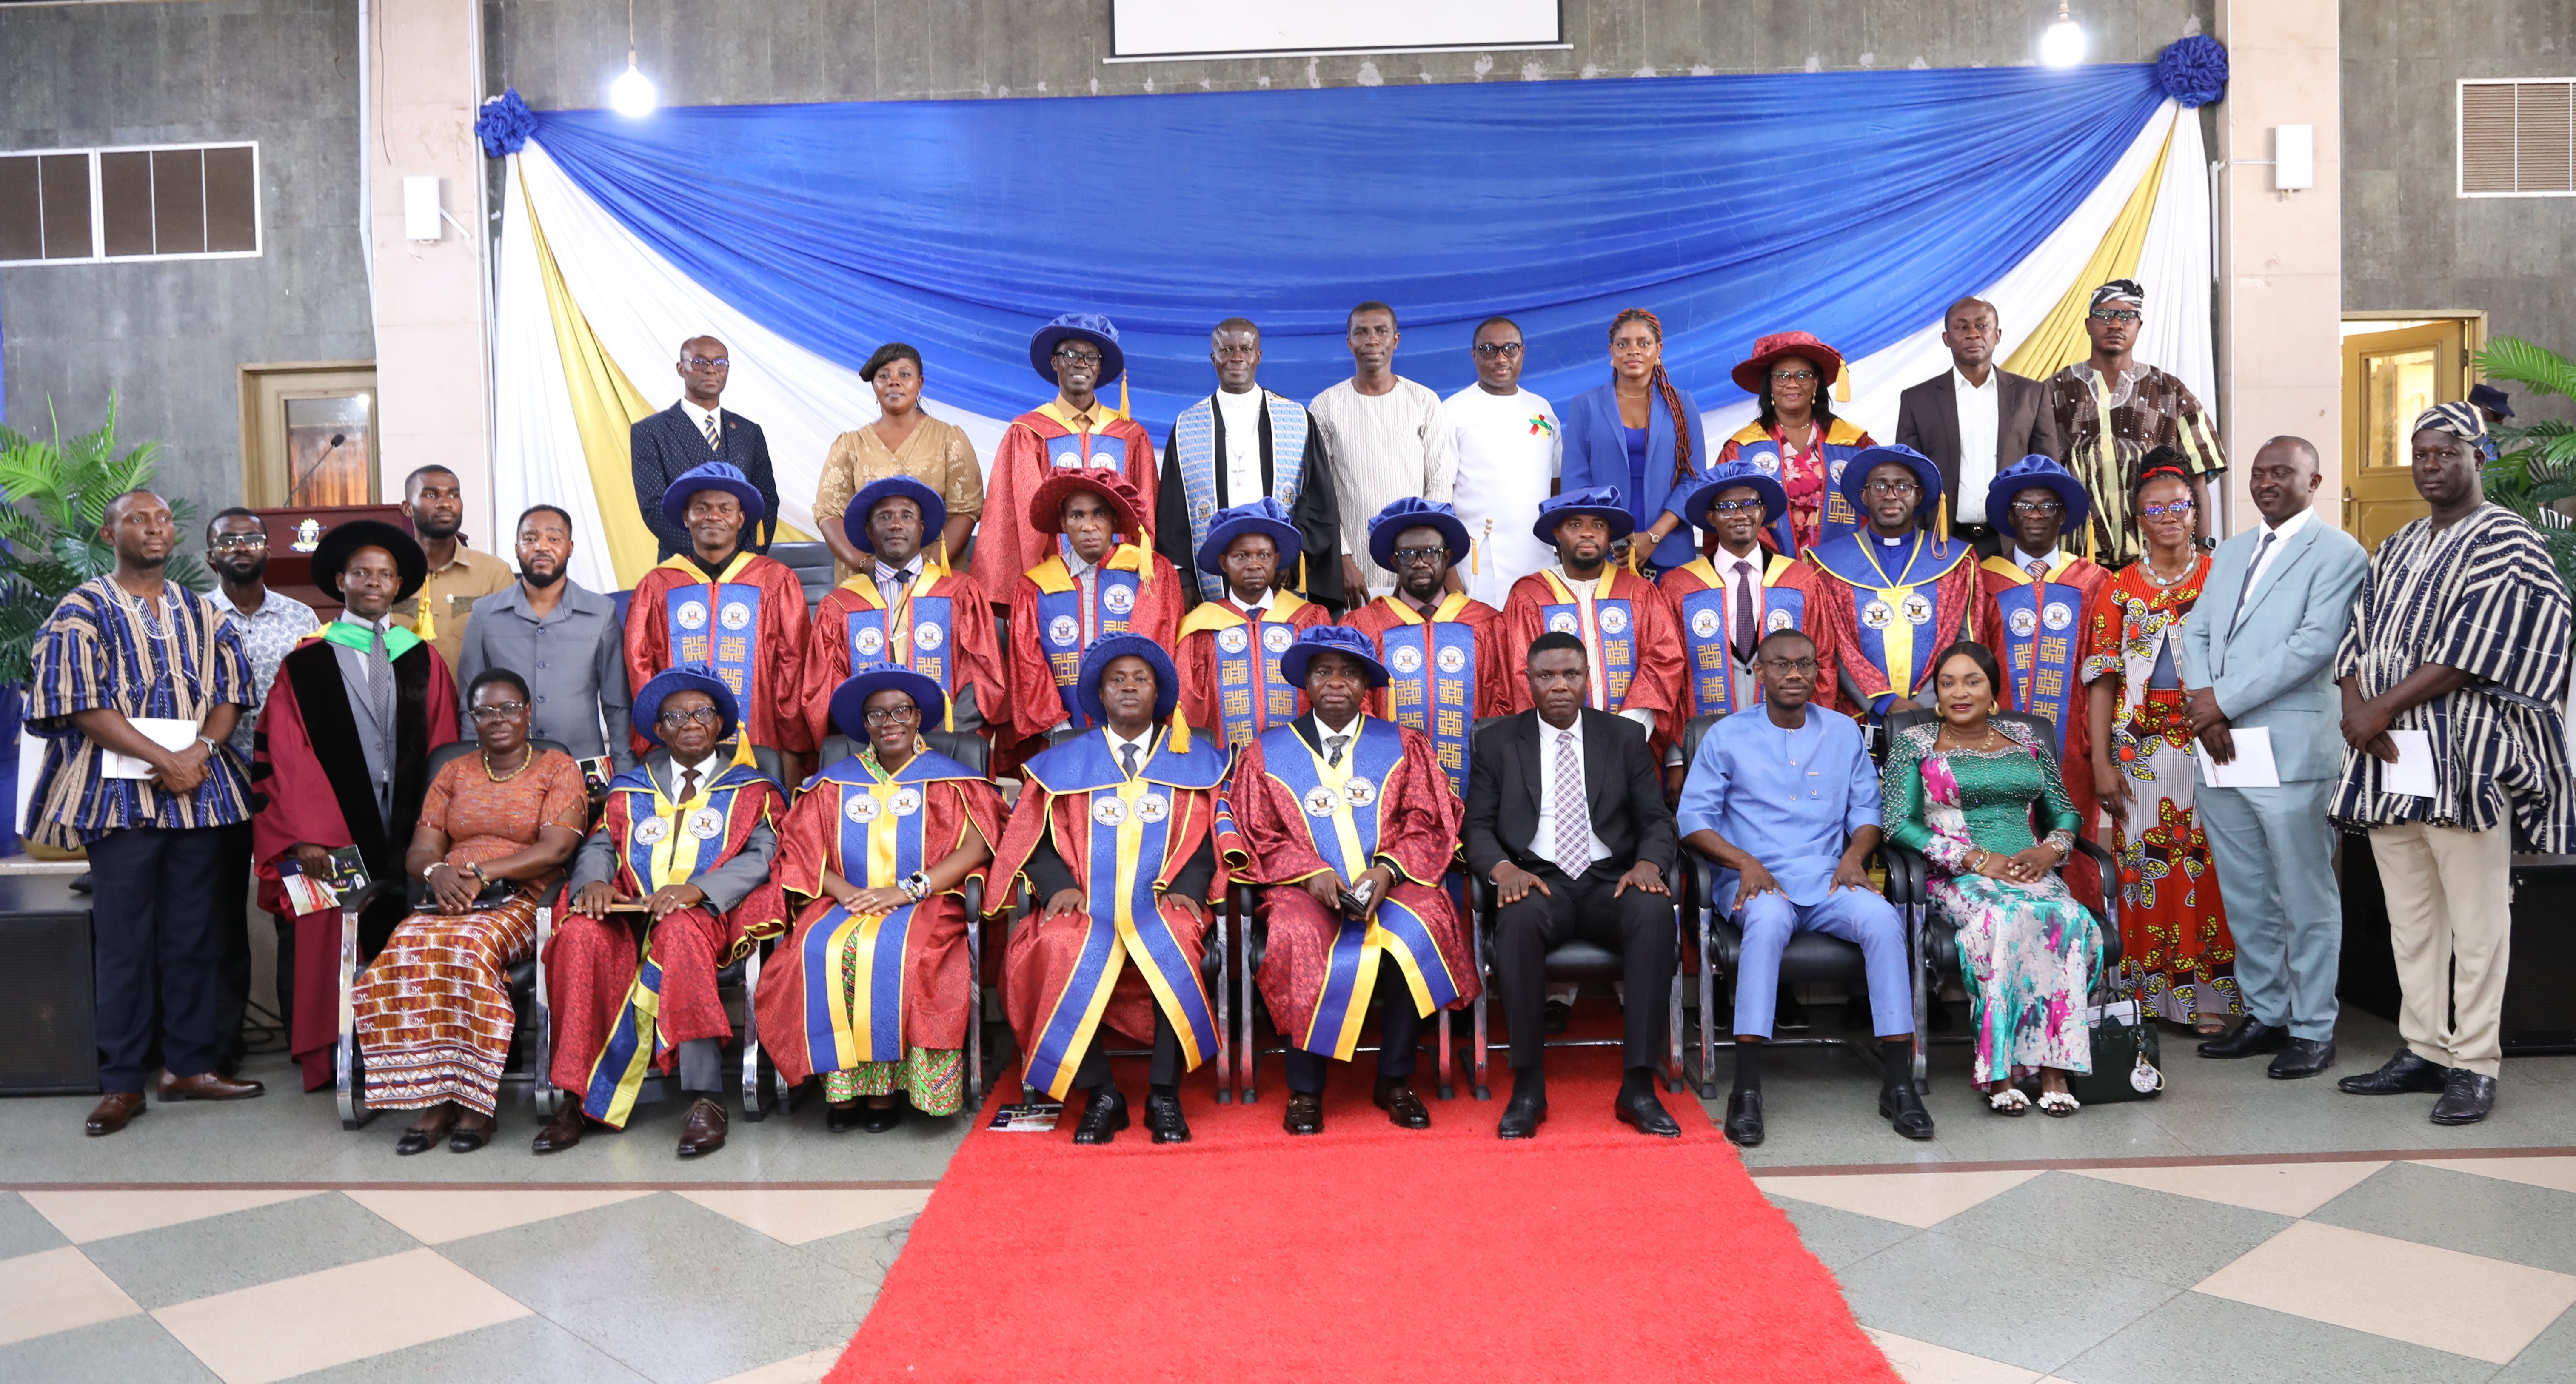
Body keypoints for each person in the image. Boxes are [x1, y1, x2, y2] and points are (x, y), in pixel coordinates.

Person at [2331, 402, 2575, 1126]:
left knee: (2477, 921)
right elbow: (2355, 634)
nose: (2430, 465)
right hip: (2389, 761)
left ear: (2478, 456)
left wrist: (2377, 709)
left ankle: (2473, 1062)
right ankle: (2424, 1047)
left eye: (2445, 453)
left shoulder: (2508, 539)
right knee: (2410, 920)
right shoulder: (2398, 543)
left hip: (2464, 756)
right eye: (2421, 454)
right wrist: (2355, 707)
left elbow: (2477, 648)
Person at [25, 490, 264, 1135]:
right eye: (138, 520)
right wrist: (165, 758)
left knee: (195, 936)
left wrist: (201, 751)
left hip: (198, 797)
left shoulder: (202, 611)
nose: (155, 529)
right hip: (119, 798)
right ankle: (123, 1080)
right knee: (125, 942)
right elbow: (81, 702)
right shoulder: (82, 609)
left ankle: (189, 1066)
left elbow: (231, 693)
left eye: (162, 519)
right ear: (110, 534)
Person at [1677, 629, 1927, 1147]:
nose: (1794, 674)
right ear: (1760, 672)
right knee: (1767, 922)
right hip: (1754, 877)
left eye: (1805, 664)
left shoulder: (1841, 731)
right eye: (1781, 664)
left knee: (1883, 919)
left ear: (1818, 670)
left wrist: (1855, 856)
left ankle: (1899, 1082)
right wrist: (1743, 860)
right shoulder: (1725, 736)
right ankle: (1746, 1088)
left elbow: (1866, 811)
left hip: (1829, 874)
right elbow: (1692, 820)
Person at [1223, 627, 1476, 1134]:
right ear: (1306, 683)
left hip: (1392, 881)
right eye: (1324, 672)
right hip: (1302, 888)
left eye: (1350, 673)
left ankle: (1395, 1078)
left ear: (1367, 686)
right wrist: (1311, 872)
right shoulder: (1267, 753)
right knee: (1296, 933)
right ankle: (1305, 1088)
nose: (1336, 682)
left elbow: (1427, 819)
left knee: (1424, 921)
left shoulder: (1402, 744)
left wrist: (1387, 869)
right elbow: (1257, 832)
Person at [534, 667, 790, 1157]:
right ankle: (579, 1094)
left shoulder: (751, 788)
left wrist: (697, 889)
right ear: (659, 729)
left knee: (678, 932)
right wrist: (593, 883)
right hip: (629, 912)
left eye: (702, 713)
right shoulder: (631, 787)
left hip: (708, 916)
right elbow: (601, 844)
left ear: (719, 723)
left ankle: (705, 1096)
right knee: (578, 936)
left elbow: (765, 856)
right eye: (676, 716)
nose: (690, 723)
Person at [2180, 436, 2369, 1079]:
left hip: (2287, 748)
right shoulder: (2231, 551)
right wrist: (2205, 705)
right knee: (2245, 891)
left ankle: (2312, 1027)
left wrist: (2221, 701)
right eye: (2258, 472)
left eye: (2281, 472)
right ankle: (2266, 1013)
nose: (2265, 482)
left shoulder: (2339, 552)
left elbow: (2313, 644)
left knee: (2303, 892)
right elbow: (2195, 630)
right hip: (2221, 747)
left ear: (2313, 481)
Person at [250, 520, 462, 1092]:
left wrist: (439, 828)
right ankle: (335, 1057)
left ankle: (413, 1050)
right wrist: (308, 834)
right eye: (362, 573)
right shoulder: (305, 663)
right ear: (340, 581)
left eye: (385, 574)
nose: (373, 582)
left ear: (398, 585)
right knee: (329, 935)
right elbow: (284, 757)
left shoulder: (422, 659)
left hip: (410, 829)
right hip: (332, 833)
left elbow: (445, 751)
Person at [995, 636, 1230, 1145]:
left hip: (1164, 900)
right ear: (1099, 694)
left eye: (1140, 679)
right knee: (1056, 941)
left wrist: (1190, 886)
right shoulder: (1063, 763)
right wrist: (1056, 885)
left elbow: (1213, 834)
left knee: (1176, 939)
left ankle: (1164, 1093)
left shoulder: (1195, 759)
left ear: (1158, 694)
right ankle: (1101, 1091)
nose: (1128, 687)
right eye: (1116, 679)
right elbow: (1031, 836)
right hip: (1085, 901)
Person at [753, 666, 1002, 1133]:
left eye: (901, 711)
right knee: (819, 949)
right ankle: (844, 1089)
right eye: (877, 715)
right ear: (863, 724)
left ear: (918, 717)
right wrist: (846, 892)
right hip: (845, 902)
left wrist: (908, 889)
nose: (890, 722)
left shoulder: (953, 780)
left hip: (928, 901)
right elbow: (801, 853)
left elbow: (977, 847)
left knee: (901, 953)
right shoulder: (831, 784)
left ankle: (890, 1091)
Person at [355, 669, 587, 1154]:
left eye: (509, 708)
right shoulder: (453, 771)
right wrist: (437, 871)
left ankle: (477, 1104)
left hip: (522, 897)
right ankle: (434, 1099)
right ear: (472, 719)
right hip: (449, 896)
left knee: (467, 948)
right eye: (485, 711)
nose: (498, 719)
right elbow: (422, 849)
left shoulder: (558, 768)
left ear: (528, 713)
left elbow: (557, 848)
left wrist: (483, 873)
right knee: (405, 948)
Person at [1465, 631, 1682, 1140]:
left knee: (1654, 913)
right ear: (1528, 681)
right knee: (1517, 918)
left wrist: (1649, 863)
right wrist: (1503, 870)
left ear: (1588, 678)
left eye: (1571, 674)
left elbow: (1656, 818)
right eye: (1547, 676)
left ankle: (1638, 1086)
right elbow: (1476, 826)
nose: (1559, 685)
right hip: (1538, 878)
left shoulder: (1624, 737)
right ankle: (1528, 1087)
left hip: (1612, 879)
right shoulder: (1497, 741)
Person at [1883, 642, 2101, 1116]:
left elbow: (2064, 811)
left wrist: (2050, 850)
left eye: (1972, 681)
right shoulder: (1915, 743)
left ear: (1993, 690)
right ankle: (1999, 1071)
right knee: (2002, 917)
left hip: (2029, 868)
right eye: (1947, 683)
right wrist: (1972, 858)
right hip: (1954, 875)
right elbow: (1898, 823)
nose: (1959, 692)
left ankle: (2054, 1069)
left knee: (2065, 915)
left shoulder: (2026, 738)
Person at [2082, 458, 2238, 1034]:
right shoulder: (2118, 586)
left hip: (2212, 739)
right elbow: (2101, 679)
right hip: (2140, 751)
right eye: (2155, 508)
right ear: (2137, 520)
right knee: (2145, 868)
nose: (2168, 516)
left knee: (2211, 865)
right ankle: (2145, 998)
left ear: (2195, 513)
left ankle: (2210, 999)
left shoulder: (2223, 576)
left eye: (2179, 505)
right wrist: (2100, 761)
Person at [204, 507, 319, 1069]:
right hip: (215, 784)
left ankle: (304, 1038)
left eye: (251, 538)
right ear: (211, 556)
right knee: (220, 916)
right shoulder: (194, 617)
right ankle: (223, 1045)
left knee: (296, 909)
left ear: (268, 549)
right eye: (228, 541)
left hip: (287, 788)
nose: (241, 547)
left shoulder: (301, 616)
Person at [1975, 457, 2112, 911]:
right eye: (2024, 506)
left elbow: (2104, 670)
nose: (2035, 515)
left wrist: (2099, 748)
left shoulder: (2093, 581)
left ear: (2063, 515)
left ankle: (2083, 939)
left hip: (2073, 743)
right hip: (1999, 740)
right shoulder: (1984, 578)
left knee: (2072, 839)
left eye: (2047, 505)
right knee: (2005, 837)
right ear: (2009, 516)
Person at [622, 460, 811, 779]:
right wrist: (656, 741)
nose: (713, 516)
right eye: (702, 508)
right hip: (677, 747)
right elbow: (641, 669)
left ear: (741, 518)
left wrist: (792, 749)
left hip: (758, 745)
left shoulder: (775, 581)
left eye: (725, 509)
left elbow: (793, 669)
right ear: (686, 517)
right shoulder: (658, 586)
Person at [799, 477, 1007, 747]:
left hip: (948, 747)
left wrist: (947, 737)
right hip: (870, 750)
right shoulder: (840, 606)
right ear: (869, 530)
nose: (896, 524)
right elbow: (827, 689)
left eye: (907, 516)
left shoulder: (960, 593)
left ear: (922, 528)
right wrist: (879, 739)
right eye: (884, 517)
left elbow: (983, 673)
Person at [1155, 317, 1345, 610]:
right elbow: (1172, 512)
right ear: (1213, 358)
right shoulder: (1187, 427)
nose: (1236, 357)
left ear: (1258, 356)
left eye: (1245, 349)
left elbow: (1319, 500)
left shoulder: (1296, 419)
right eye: (1226, 349)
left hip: (1282, 575)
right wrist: (1185, 579)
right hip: (1214, 582)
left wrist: (1291, 556)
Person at [1804, 445, 1991, 723]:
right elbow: (1830, 645)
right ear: (1864, 495)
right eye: (1879, 486)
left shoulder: (1957, 561)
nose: (1891, 495)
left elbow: (1967, 641)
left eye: (1903, 486)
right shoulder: (1826, 565)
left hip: (1937, 715)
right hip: (1857, 717)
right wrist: (1884, 702)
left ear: (1919, 495)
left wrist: (1927, 704)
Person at [1341, 498, 1511, 800]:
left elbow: (1503, 700)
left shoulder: (1485, 623)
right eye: (1407, 555)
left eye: (1431, 552)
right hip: (1389, 782)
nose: (1419, 562)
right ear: (1394, 562)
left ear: (1448, 557)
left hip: (1475, 786)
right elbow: (1355, 704)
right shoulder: (1364, 625)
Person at [2045, 280, 2227, 564]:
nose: (2116, 324)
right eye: (2104, 315)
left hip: (2155, 559)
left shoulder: (2169, 391)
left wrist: (2203, 546)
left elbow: (2197, 476)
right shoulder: (2055, 390)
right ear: (2088, 325)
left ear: (2139, 326)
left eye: (2126, 316)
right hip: (2075, 558)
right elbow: (2039, 478)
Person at [1003, 472, 1184, 749]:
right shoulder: (1035, 587)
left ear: (1114, 519)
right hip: (1062, 737)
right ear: (1064, 523)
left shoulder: (1149, 572)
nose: (1089, 526)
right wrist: (1059, 731)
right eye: (1077, 515)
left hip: (1139, 732)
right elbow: (1029, 665)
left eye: (1099, 514)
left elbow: (1161, 646)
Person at [455, 504, 633, 779]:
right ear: (517, 549)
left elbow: (617, 706)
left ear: (570, 547)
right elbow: (471, 705)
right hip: (505, 770)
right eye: (530, 539)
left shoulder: (601, 613)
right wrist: (474, 774)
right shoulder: (485, 614)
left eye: (554, 538)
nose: (541, 547)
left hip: (582, 766)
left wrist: (624, 776)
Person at [982, 313, 1158, 588]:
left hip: (1120, 582)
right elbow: (1018, 518)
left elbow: (1144, 514)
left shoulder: (1130, 435)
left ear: (1100, 367)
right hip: (1051, 582)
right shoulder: (1029, 432)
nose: (1081, 363)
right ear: (1055, 362)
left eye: (1091, 357)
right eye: (1071, 354)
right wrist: (1034, 588)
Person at [1499, 488, 1685, 746]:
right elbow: (1520, 671)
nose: (1588, 533)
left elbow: (1664, 659)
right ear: (1557, 533)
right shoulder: (1530, 596)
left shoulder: (1639, 593)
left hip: (1631, 740)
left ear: (1610, 535)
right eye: (1575, 525)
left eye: (1598, 525)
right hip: (1554, 743)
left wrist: (1630, 728)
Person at [1657, 460, 1830, 730]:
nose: (1740, 515)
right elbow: (1670, 670)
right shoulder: (1680, 586)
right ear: (1711, 518)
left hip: (1789, 731)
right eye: (1726, 508)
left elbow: (1824, 659)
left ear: (1763, 512)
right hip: (1710, 731)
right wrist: (1680, 745)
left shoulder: (1801, 580)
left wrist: (1815, 730)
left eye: (1750, 505)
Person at [1895, 297, 2064, 558]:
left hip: (2014, 540)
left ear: (1997, 335)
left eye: (1982, 325)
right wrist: (1916, 539)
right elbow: (1908, 476)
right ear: (1946, 338)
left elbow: (2048, 472)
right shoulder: (1917, 399)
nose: (1973, 334)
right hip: (1942, 540)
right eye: (1962, 327)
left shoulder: (2031, 394)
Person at [1310, 301, 1455, 597]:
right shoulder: (1325, 406)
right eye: (1361, 332)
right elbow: (1319, 493)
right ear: (1349, 343)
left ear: (1395, 340)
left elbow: (1439, 484)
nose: (1372, 340)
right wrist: (1343, 558)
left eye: (1381, 331)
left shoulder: (1424, 401)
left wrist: (1423, 557)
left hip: (1416, 564)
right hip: (1354, 570)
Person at [812, 342, 984, 581]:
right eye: (884, 376)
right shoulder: (850, 445)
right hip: (867, 581)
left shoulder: (950, 439)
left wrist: (926, 568)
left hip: (935, 580)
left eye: (904, 375)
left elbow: (966, 511)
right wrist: (866, 565)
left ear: (920, 383)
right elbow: (829, 514)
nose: (894, 382)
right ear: (874, 385)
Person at [1561, 308, 1710, 576]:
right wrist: (1612, 538)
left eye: (1644, 343)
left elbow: (1694, 479)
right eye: (1623, 344)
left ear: (1658, 350)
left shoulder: (1682, 404)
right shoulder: (1585, 406)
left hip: (1671, 548)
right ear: (1611, 351)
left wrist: (1654, 536)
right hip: (1604, 551)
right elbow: (1576, 484)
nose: (1633, 351)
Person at [1175, 499, 1331, 752]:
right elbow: (1189, 704)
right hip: (1226, 763)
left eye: (1264, 555)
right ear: (1224, 563)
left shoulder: (1308, 620)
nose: (1254, 564)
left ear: (1277, 560)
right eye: (1242, 556)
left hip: (1300, 758)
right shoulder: (1201, 627)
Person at [1439, 316, 1563, 605]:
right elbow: (1439, 498)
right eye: (1488, 349)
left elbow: (1556, 484)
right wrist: (1449, 572)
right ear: (1474, 355)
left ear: (1523, 352)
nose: (1500, 358)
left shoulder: (1541, 409)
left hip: (1537, 553)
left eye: (1510, 348)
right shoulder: (1452, 413)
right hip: (1480, 559)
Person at [1712, 331, 1874, 553]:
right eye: (1781, 376)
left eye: (1802, 375)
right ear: (1770, 385)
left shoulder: (1853, 443)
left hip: (1844, 564)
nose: (1792, 384)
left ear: (1816, 384)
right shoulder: (1741, 449)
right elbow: (1721, 517)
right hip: (1770, 568)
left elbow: (1879, 504)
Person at [633, 335, 782, 560]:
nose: (711, 370)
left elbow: (767, 501)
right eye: (699, 362)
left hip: (743, 564)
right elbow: (654, 508)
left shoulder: (749, 432)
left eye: (720, 363)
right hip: (683, 563)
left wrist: (742, 558)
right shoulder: (650, 431)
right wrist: (709, 556)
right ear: (681, 368)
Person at [390, 465, 514, 670]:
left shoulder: (494, 573)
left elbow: (511, 649)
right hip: (404, 691)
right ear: (408, 508)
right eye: (431, 495)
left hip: (471, 692)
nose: (445, 503)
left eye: (454, 495)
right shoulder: (388, 573)